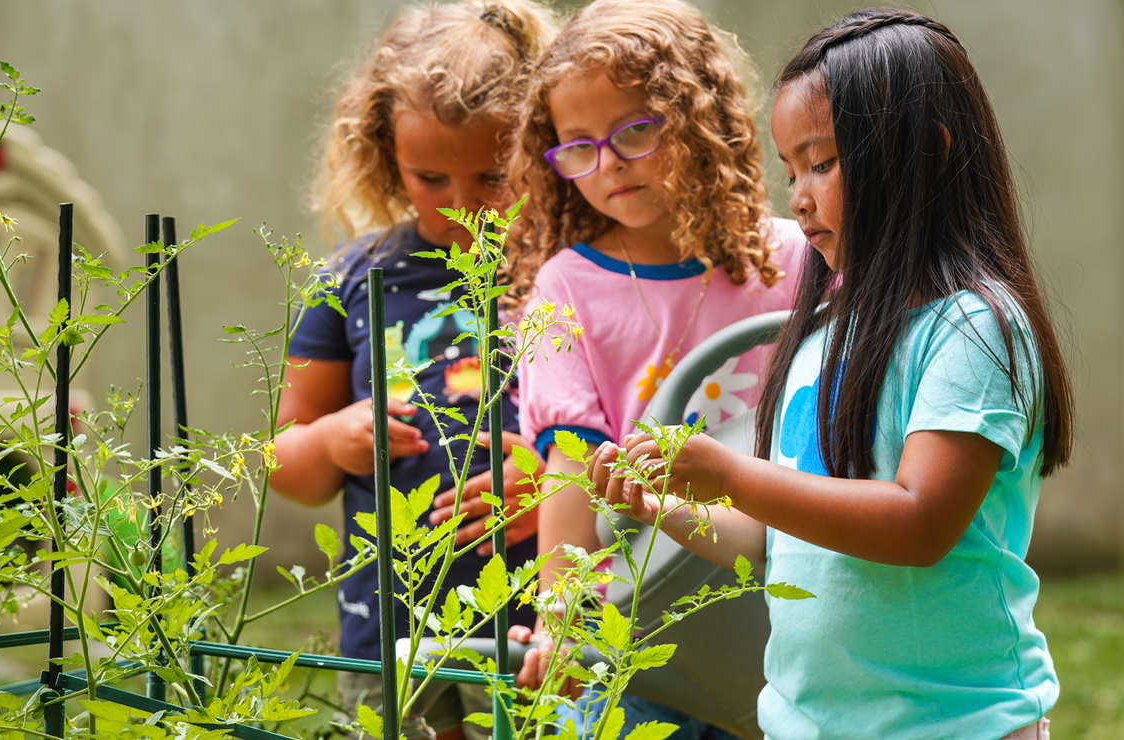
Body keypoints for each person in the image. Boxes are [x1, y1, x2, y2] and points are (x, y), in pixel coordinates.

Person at [591, 9, 1073, 740]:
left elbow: (918, 523)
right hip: (808, 724)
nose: (800, 195)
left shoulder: (972, 328)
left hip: (958, 725)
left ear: (927, 154)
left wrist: (731, 475)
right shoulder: (820, 333)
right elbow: (765, 536)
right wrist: (668, 505)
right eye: (789, 170)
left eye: (822, 162)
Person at [502, 1, 807, 737]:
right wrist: (564, 619)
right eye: (577, 145)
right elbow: (570, 472)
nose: (607, 164)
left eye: (636, 131)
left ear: (698, 117)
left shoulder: (799, 258)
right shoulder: (566, 286)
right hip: (632, 627)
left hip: (784, 613)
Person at [270, 3, 556, 739]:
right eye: (430, 177)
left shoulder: (568, 272)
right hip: (391, 619)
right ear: (383, 155)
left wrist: (552, 485)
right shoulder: (351, 277)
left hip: (536, 618)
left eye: (494, 175)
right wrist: (331, 438)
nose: (463, 205)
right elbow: (287, 465)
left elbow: (621, 429)